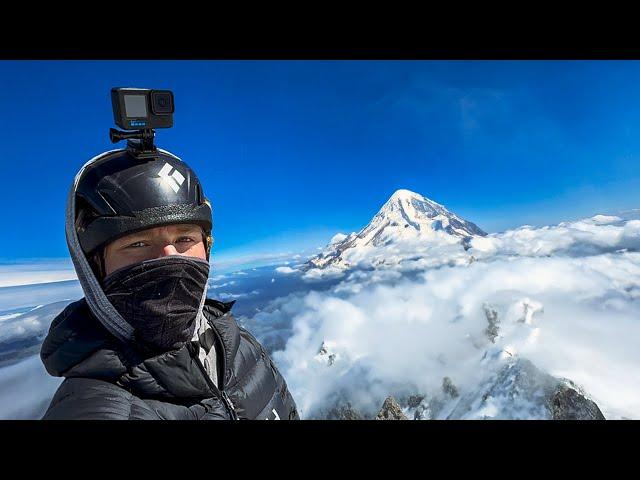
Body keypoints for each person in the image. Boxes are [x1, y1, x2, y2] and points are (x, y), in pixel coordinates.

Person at [39, 147, 299, 420]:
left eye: (184, 239)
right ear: (95, 268)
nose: (169, 257)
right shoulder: (91, 406)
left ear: (207, 248)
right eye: (137, 243)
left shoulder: (237, 344)